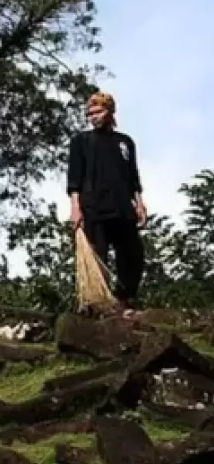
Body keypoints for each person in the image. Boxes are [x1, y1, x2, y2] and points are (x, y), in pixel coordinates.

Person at [67, 91, 148, 316]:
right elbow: (74, 178)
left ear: (110, 112)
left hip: (123, 208)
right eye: (89, 114)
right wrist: (76, 208)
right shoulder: (81, 141)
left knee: (133, 255)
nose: (93, 117)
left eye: (98, 112)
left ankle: (126, 300)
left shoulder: (125, 142)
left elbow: (133, 176)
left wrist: (139, 203)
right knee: (97, 256)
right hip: (94, 208)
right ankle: (96, 302)